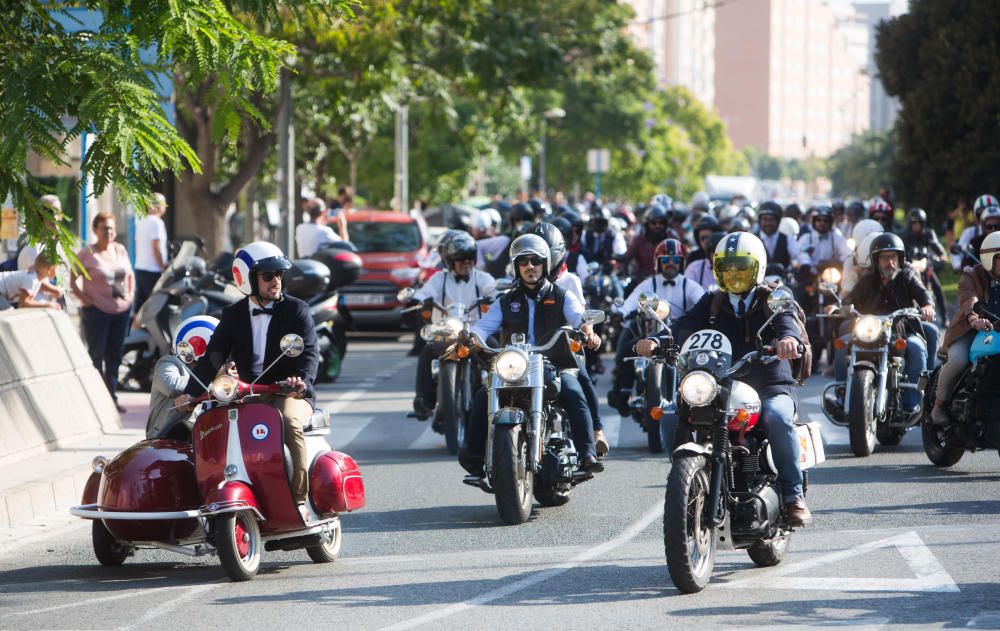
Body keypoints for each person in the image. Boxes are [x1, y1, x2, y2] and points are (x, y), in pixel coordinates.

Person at [635, 231, 812, 527]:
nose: (734, 274)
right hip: (720, 385)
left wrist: (788, 341)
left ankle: (793, 496)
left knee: (778, 418)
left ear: (758, 268)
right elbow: (684, 325)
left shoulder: (773, 299)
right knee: (669, 417)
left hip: (769, 385)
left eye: (741, 267)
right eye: (726, 268)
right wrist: (655, 340)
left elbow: (787, 322)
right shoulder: (712, 301)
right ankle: (687, 481)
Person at [181, 241, 320, 521]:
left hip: (288, 392)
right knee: (214, 426)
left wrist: (301, 381)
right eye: (268, 276)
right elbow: (213, 356)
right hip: (247, 393)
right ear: (247, 279)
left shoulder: (297, 310)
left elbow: (310, 352)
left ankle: (299, 500)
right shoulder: (233, 315)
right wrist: (189, 394)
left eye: (280, 274)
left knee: (290, 421)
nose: (276, 281)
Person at [460, 234, 604, 481]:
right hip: (516, 366)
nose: (530, 267)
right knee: (483, 396)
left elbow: (579, 318)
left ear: (544, 265)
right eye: (523, 262)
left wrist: (588, 331)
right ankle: (474, 462)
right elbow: (484, 327)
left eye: (535, 261)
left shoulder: (561, 296)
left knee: (573, 390)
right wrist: (470, 336)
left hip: (555, 364)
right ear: (516, 267)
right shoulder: (506, 302)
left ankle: (587, 454)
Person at [830, 233, 938, 416]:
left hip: (902, 329)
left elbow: (922, 294)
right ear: (876, 260)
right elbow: (850, 298)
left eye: (893, 257)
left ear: (900, 258)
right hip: (871, 331)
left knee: (916, 347)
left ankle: (912, 403)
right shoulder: (868, 280)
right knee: (842, 345)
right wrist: (837, 306)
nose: (890, 262)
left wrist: (927, 306)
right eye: (885, 257)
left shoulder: (907, 276)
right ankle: (842, 396)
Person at [529, 221, 608, 458]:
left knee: (581, 380)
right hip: (528, 352)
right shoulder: (524, 279)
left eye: (540, 258)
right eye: (529, 258)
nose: (532, 265)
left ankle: (596, 431)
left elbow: (581, 313)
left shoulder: (569, 280)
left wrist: (589, 332)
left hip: (562, 347)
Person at [608, 238, 704, 418]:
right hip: (649, 334)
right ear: (657, 263)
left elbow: (702, 302)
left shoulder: (689, 285)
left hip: (679, 337)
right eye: (665, 260)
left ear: (681, 263)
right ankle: (623, 393)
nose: (670, 264)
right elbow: (630, 301)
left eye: (675, 260)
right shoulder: (649, 284)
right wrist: (620, 312)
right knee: (627, 348)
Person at [410, 231, 496, 420]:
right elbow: (423, 294)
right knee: (427, 351)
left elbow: (494, 289)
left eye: (469, 258)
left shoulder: (481, 278)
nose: (466, 263)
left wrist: (497, 296)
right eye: (460, 259)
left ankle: (502, 394)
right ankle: (423, 401)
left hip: (476, 332)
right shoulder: (439, 279)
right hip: (447, 332)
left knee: (496, 349)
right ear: (450, 261)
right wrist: (417, 299)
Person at [929, 230, 1000, 425]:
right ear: (989, 258)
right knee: (958, 360)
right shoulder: (971, 275)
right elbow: (970, 300)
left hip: (998, 332)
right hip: (971, 330)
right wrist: (975, 319)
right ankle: (939, 405)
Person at [71, 212, 135, 413]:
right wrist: (86, 300)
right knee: (96, 355)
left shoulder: (120, 250)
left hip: (121, 311)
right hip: (97, 312)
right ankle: (96, 400)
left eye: (111, 228)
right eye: (104, 228)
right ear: (95, 230)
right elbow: (73, 280)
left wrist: (131, 297)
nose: (108, 232)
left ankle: (112, 397)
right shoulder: (87, 253)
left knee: (115, 356)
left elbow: (129, 275)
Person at [146, 315, 218, 440]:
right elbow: (171, 385)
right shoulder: (168, 363)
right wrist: (216, 386)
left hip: (204, 437)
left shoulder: (220, 372)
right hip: (165, 437)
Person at [133, 193, 169, 311]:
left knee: (140, 307)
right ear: (160, 206)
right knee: (153, 307)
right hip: (153, 270)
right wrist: (163, 267)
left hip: (140, 268)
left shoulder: (141, 221)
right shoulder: (157, 223)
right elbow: (156, 247)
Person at [620, 203, 671, 281]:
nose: (657, 226)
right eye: (653, 223)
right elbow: (627, 257)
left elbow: (682, 260)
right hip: (642, 283)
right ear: (647, 225)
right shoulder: (639, 240)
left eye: (661, 223)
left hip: (667, 282)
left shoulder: (671, 240)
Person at [756, 201, 808, 270]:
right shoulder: (753, 240)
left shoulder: (786, 239)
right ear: (760, 221)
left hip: (783, 279)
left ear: (778, 221)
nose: (768, 223)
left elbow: (799, 254)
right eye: (765, 219)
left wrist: (806, 263)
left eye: (772, 220)